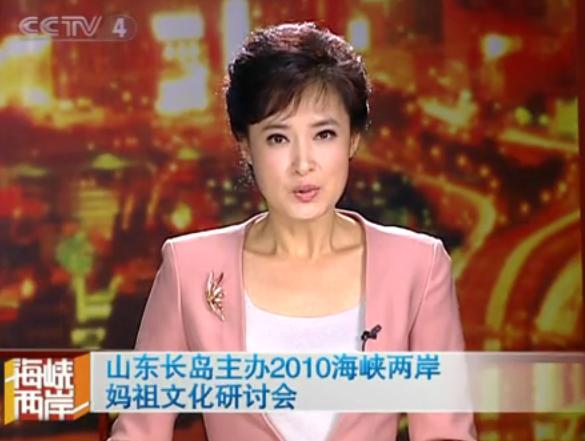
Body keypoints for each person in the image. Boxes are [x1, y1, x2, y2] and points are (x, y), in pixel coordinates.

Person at [108, 22, 477, 441]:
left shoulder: (418, 267)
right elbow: (140, 432)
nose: (303, 163)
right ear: (246, 145)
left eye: (324, 134)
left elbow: (445, 432)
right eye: (278, 138)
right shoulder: (189, 269)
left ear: (353, 139)